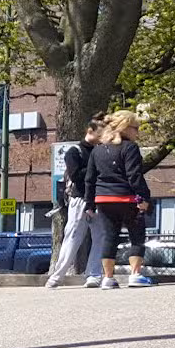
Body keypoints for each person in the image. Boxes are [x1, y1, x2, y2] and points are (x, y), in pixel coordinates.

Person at [81, 110, 153, 289]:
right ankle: (135, 274)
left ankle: (107, 278)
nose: (137, 132)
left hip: (103, 199)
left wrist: (89, 204)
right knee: (136, 236)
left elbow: (89, 179)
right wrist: (144, 198)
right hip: (127, 198)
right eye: (135, 128)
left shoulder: (97, 150)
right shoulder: (130, 148)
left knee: (109, 237)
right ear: (125, 128)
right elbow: (134, 176)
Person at [44, 119, 100, 288]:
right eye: (101, 131)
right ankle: (58, 275)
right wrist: (95, 167)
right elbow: (76, 176)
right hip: (80, 199)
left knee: (100, 237)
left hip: (97, 199)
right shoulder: (74, 151)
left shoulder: (100, 151)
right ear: (91, 130)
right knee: (73, 237)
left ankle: (94, 274)